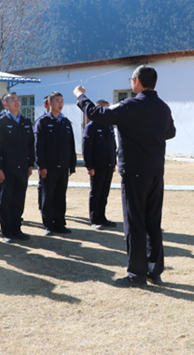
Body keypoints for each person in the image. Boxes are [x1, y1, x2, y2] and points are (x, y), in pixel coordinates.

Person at [74, 65, 176, 287]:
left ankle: (136, 274)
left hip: (135, 172)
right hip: (156, 171)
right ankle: (154, 271)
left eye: (131, 79)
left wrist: (81, 96)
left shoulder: (131, 105)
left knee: (135, 223)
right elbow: (171, 132)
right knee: (153, 223)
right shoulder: (163, 107)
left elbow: (97, 115)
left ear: (137, 81)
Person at [0, 92, 35, 243]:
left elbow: (31, 144)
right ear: (5, 104)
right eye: (13, 100)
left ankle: (17, 229)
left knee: (19, 199)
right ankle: (7, 232)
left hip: (22, 167)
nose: (17, 102)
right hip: (7, 168)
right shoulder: (1, 121)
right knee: (6, 200)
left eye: (18, 99)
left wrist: (30, 164)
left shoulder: (25, 121)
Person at [34, 91, 76, 236]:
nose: (60, 104)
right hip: (49, 167)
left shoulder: (66, 122)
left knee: (60, 196)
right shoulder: (43, 122)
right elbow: (38, 146)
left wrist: (72, 165)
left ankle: (60, 224)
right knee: (48, 196)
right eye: (57, 101)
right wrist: (41, 165)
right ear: (49, 103)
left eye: (62, 101)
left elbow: (71, 145)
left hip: (63, 166)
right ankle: (48, 225)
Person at [82, 100, 117, 230]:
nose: (108, 112)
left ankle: (102, 217)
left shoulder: (109, 126)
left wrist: (113, 163)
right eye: (105, 109)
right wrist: (89, 166)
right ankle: (94, 219)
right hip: (97, 167)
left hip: (108, 165)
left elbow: (113, 146)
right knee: (96, 193)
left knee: (104, 193)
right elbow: (86, 148)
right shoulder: (91, 127)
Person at [35, 95, 50, 211]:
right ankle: (42, 205)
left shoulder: (61, 120)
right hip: (45, 159)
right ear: (46, 105)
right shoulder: (41, 121)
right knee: (43, 184)